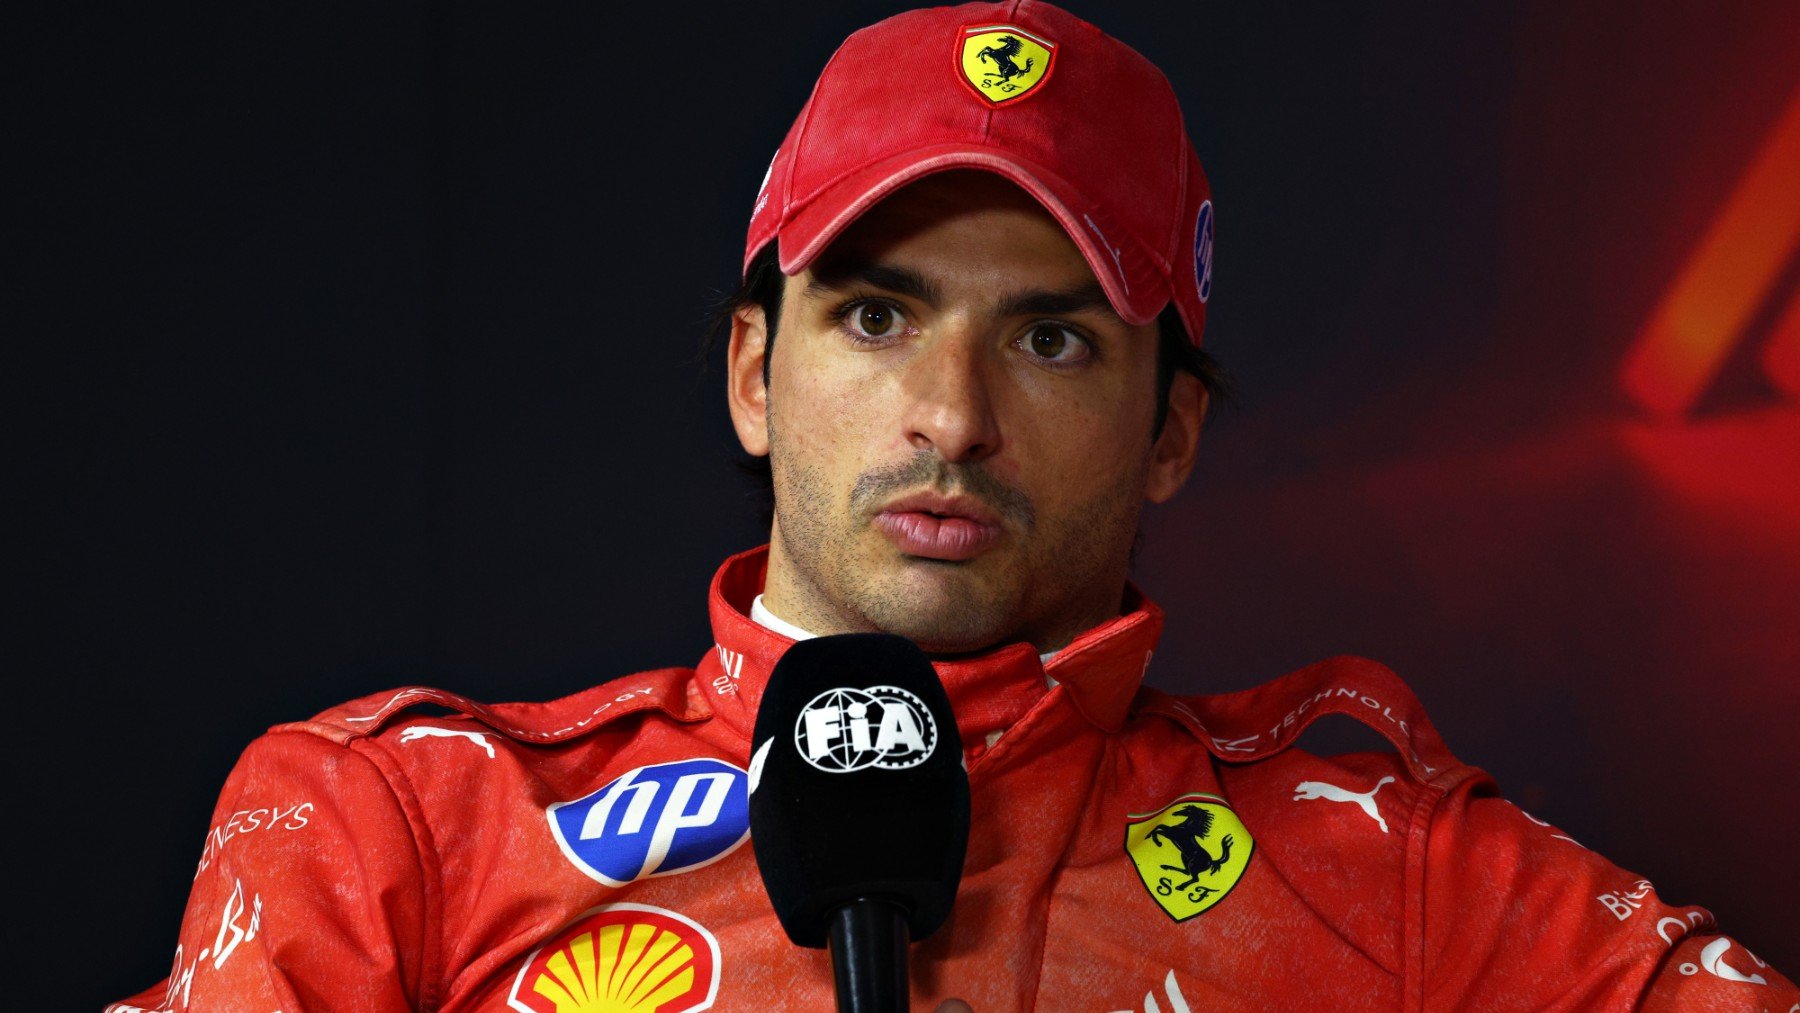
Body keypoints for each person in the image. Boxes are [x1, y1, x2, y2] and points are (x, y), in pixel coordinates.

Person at [111, 3, 1793, 1010]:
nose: (951, 416)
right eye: (878, 313)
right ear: (754, 377)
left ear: (1169, 438)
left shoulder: (1405, 879)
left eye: (1051, 337)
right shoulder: (395, 828)